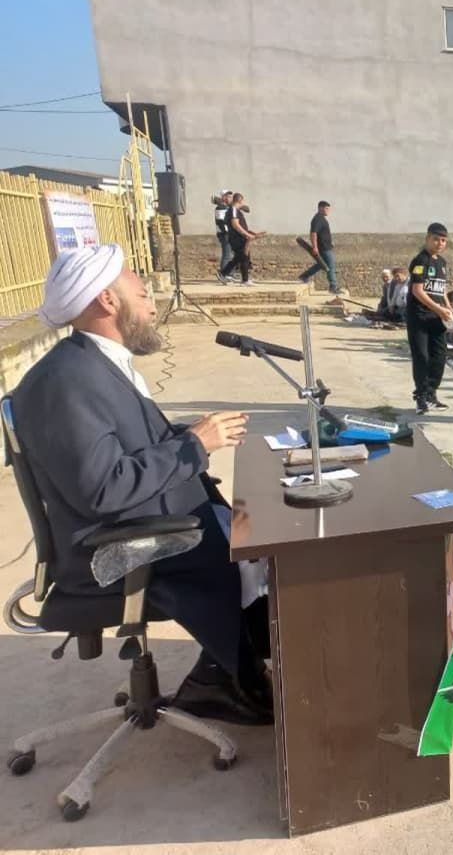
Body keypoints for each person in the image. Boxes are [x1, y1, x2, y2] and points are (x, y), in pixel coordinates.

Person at [14, 245, 271, 724]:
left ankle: (228, 669)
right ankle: (230, 678)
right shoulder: (64, 381)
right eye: (142, 292)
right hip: (111, 552)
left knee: (256, 531)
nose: (152, 302)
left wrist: (193, 434)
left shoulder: (98, 363)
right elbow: (103, 489)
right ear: (108, 301)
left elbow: (130, 447)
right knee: (258, 548)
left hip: (140, 523)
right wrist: (194, 444)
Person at [406, 223, 453, 414]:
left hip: (437, 319)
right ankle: (421, 397)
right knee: (422, 357)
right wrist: (439, 309)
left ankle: (431, 394)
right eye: (436, 239)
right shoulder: (420, 261)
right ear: (427, 238)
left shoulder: (441, 262)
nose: (440, 243)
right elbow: (417, 291)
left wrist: (447, 307)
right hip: (419, 317)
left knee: (439, 357)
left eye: (443, 240)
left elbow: (441, 288)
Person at [298, 200, 342, 294]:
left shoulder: (321, 218)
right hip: (324, 249)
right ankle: (333, 287)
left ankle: (304, 276)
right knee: (331, 266)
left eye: (329, 209)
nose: (328, 211)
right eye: (326, 209)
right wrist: (315, 247)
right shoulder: (318, 219)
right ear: (321, 208)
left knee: (321, 265)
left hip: (326, 247)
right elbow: (313, 233)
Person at [219, 193, 263, 285]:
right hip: (237, 238)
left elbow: (240, 225)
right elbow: (235, 225)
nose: (243, 202)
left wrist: (250, 233)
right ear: (240, 200)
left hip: (240, 237)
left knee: (240, 257)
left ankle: (226, 274)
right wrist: (247, 234)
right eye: (243, 201)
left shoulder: (235, 210)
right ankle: (243, 280)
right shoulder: (234, 210)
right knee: (243, 257)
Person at [212, 189, 233, 275]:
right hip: (225, 234)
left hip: (229, 233)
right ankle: (224, 274)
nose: (230, 198)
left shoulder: (228, 207)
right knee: (227, 255)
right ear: (223, 197)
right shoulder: (220, 207)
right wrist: (227, 232)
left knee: (230, 255)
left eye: (230, 196)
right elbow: (221, 222)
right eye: (227, 196)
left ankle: (229, 273)